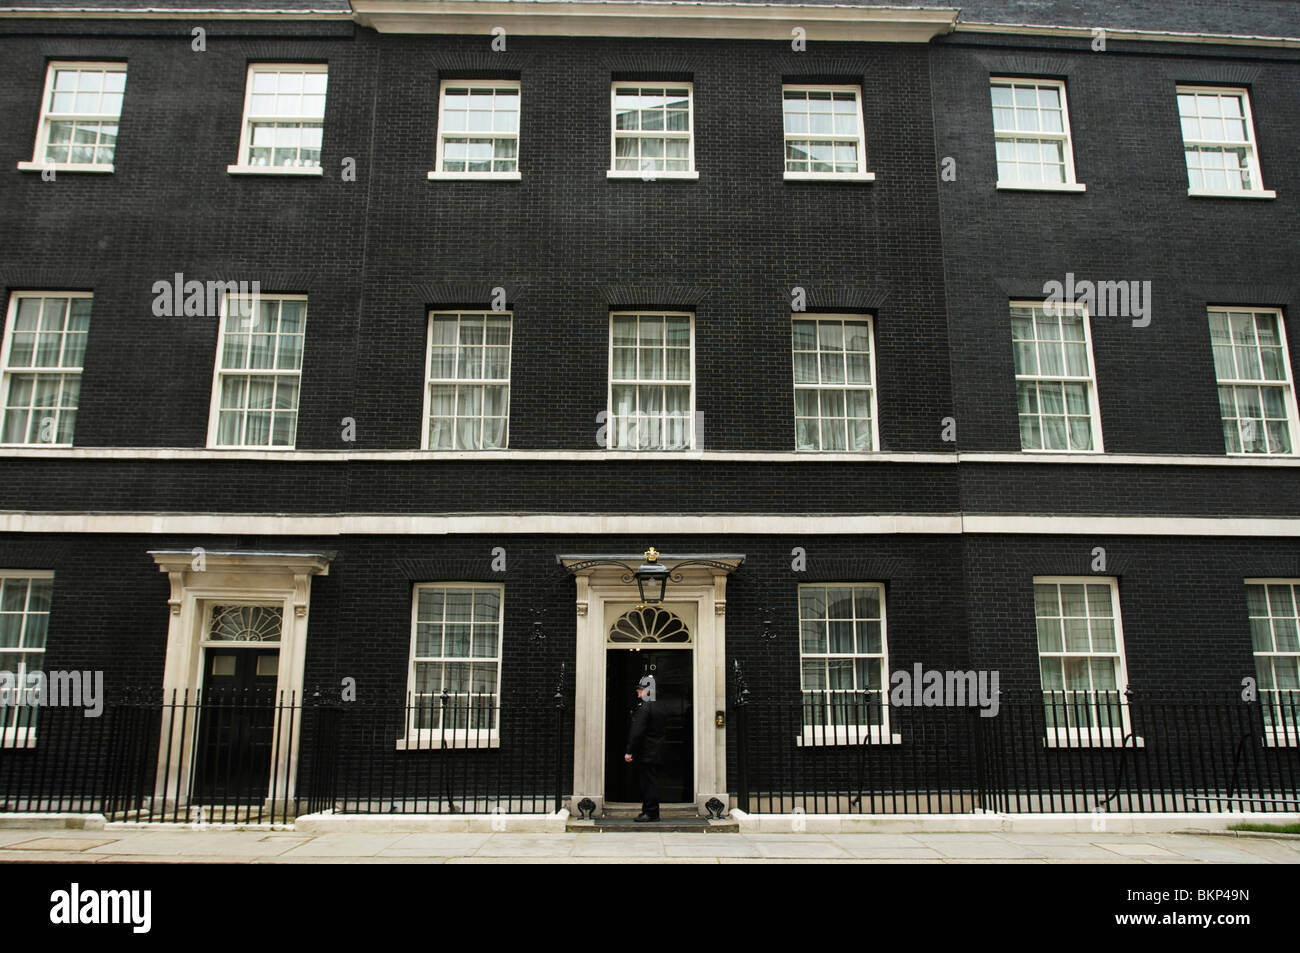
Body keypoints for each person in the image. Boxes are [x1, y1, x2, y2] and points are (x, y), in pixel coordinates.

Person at [623, 674, 667, 821]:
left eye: (641, 689)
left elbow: (637, 732)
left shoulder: (645, 707)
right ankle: (650, 811)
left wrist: (630, 751)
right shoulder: (660, 706)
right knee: (652, 781)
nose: (638, 692)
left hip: (647, 752)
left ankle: (651, 812)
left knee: (648, 783)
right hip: (657, 751)